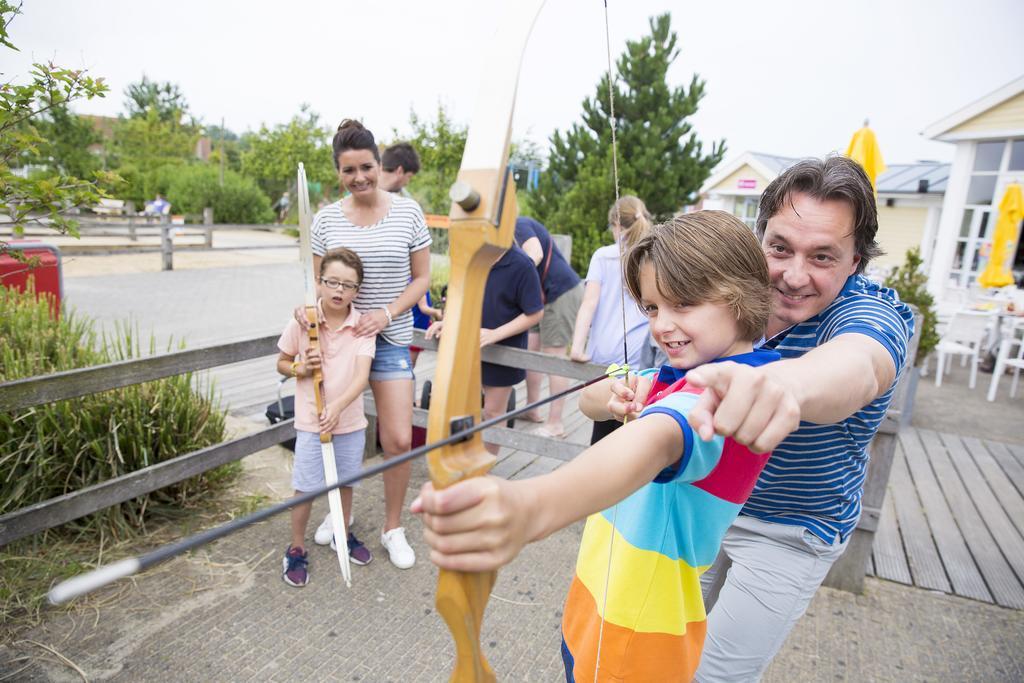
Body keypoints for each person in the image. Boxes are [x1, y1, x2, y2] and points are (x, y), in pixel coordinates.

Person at [412, 211, 779, 681]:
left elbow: (658, 439)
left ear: (740, 296)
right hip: (598, 602)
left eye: (683, 304)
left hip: (638, 637)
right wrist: (617, 395)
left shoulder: (733, 395)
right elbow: (589, 399)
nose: (662, 326)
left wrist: (529, 506)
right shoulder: (680, 375)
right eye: (651, 308)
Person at [646, 157, 910, 681]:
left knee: (713, 676)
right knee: (662, 658)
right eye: (781, 248)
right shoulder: (731, 295)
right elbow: (654, 363)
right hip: (706, 509)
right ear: (759, 238)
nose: (793, 275)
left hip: (790, 530)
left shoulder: (872, 315)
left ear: (856, 262)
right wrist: (617, 384)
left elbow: (858, 366)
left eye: (823, 257)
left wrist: (781, 384)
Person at [304, 119, 431, 570]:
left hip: (390, 340)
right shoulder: (325, 220)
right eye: (348, 170)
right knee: (343, 437)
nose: (358, 178)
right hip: (341, 346)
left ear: (380, 164)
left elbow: (422, 279)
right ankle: (341, 514)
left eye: (365, 167)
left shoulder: (407, 212)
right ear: (338, 172)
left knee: (397, 438)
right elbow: (315, 286)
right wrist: (308, 322)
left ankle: (392, 527)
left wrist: (387, 313)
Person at [277, 248, 375, 587]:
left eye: (348, 285)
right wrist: (300, 369)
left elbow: (361, 378)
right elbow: (282, 362)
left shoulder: (362, 327)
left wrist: (337, 407)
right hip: (310, 420)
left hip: (348, 421)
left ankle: (341, 532)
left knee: (345, 482)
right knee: (304, 486)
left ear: (357, 290)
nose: (339, 291)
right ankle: (296, 547)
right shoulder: (304, 321)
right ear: (318, 282)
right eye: (332, 282)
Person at [424, 243, 544, 454]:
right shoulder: (473, 257)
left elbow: (534, 312)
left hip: (504, 350)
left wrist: (495, 334)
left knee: (493, 412)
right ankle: (460, 457)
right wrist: (448, 321)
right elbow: (461, 298)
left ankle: (484, 467)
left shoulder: (522, 265)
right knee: (460, 407)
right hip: (467, 347)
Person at [569, 195, 653, 444]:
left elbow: (589, 303)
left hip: (605, 358)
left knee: (603, 431)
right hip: (641, 359)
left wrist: (576, 346)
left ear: (616, 224)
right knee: (634, 434)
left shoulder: (603, 256)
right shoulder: (651, 255)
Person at [515, 216, 584, 438]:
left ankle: (556, 423)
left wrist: (511, 276)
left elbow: (536, 254)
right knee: (531, 349)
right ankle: (532, 408)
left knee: (554, 357)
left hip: (561, 292)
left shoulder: (519, 224)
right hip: (541, 296)